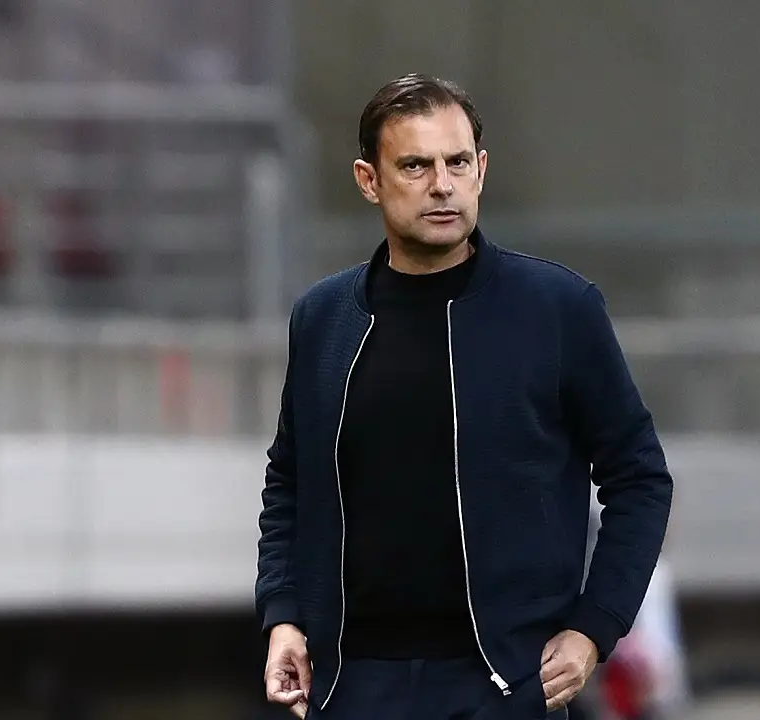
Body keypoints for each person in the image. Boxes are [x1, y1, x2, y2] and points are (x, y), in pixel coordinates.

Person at [255, 73, 673, 720]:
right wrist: (283, 615)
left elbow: (640, 477)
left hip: (505, 685)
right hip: (351, 686)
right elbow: (289, 479)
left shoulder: (558, 309)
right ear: (369, 180)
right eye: (415, 166)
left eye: (456, 163)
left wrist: (596, 626)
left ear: (481, 170)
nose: (442, 185)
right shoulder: (323, 318)